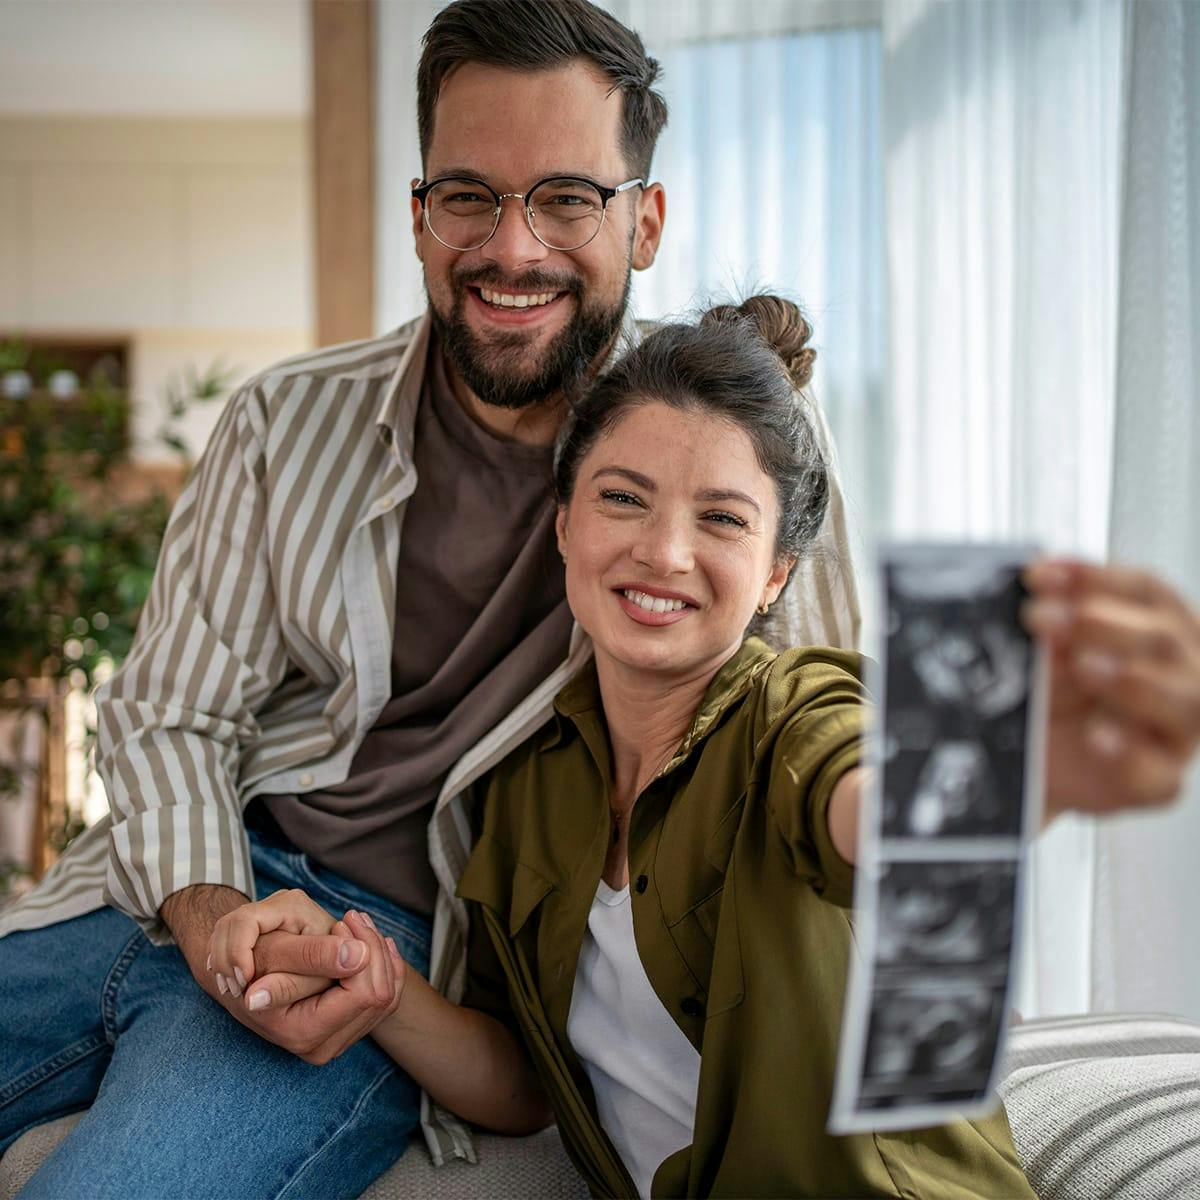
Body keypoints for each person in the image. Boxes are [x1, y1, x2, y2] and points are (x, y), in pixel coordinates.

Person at [0, 0, 1197, 1196]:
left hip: (389, 935)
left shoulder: (733, 432)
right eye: (468, 196)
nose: (514, 249)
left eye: (568, 198)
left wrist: (1001, 785)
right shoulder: (282, 421)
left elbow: (831, 737)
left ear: (647, 220)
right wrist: (215, 913)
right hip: (164, 889)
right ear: (419, 216)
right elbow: (168, 714)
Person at [211, 296, 1199, 1198]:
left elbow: (873, 803)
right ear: (564, 526)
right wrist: (381, 987)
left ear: (776, 574)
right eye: (623, 499)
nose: (665, 552)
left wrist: (1033, 765)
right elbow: (526, 1086)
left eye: (722, 519)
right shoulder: (524, 788)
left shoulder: (793, 713)